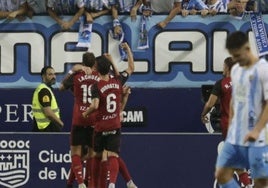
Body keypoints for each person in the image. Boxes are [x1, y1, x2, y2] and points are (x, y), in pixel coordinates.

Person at [215, 31, 268, 188]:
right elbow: (234, 102)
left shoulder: (263, 70)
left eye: (237, 55)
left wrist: (257, 130)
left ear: (247, 48)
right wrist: (231, 125)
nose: (235, 59)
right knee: (222, 174)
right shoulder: (236, 71)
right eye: (233, 56)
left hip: (258, 137)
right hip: (236, 136)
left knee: (261, 181)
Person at [201, 57, 252, 187]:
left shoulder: (221, 84)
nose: (222, 69)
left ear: (228, 68)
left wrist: (203, 113)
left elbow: (210, 103)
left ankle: (248, 184)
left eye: (224, 66)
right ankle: (247, 183)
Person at [82, 54, 129, 188]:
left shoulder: (96, 86)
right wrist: (112, 61)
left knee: (96, 156)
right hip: (114, 124)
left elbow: (95, 105)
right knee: (113, 155)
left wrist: (85, 113)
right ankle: (112, 183)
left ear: (97, 68)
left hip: (101, 126)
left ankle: (95, 184)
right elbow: (121, 73)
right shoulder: (117, 81)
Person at [32, 66, 64, 132]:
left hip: (43, 127)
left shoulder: (43, 88)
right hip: (48, 127)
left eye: (54, 74)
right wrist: (60, 123)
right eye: (50, 74)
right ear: (43, 76)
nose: (54, 77)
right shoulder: (44, 91)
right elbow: (48, 112)